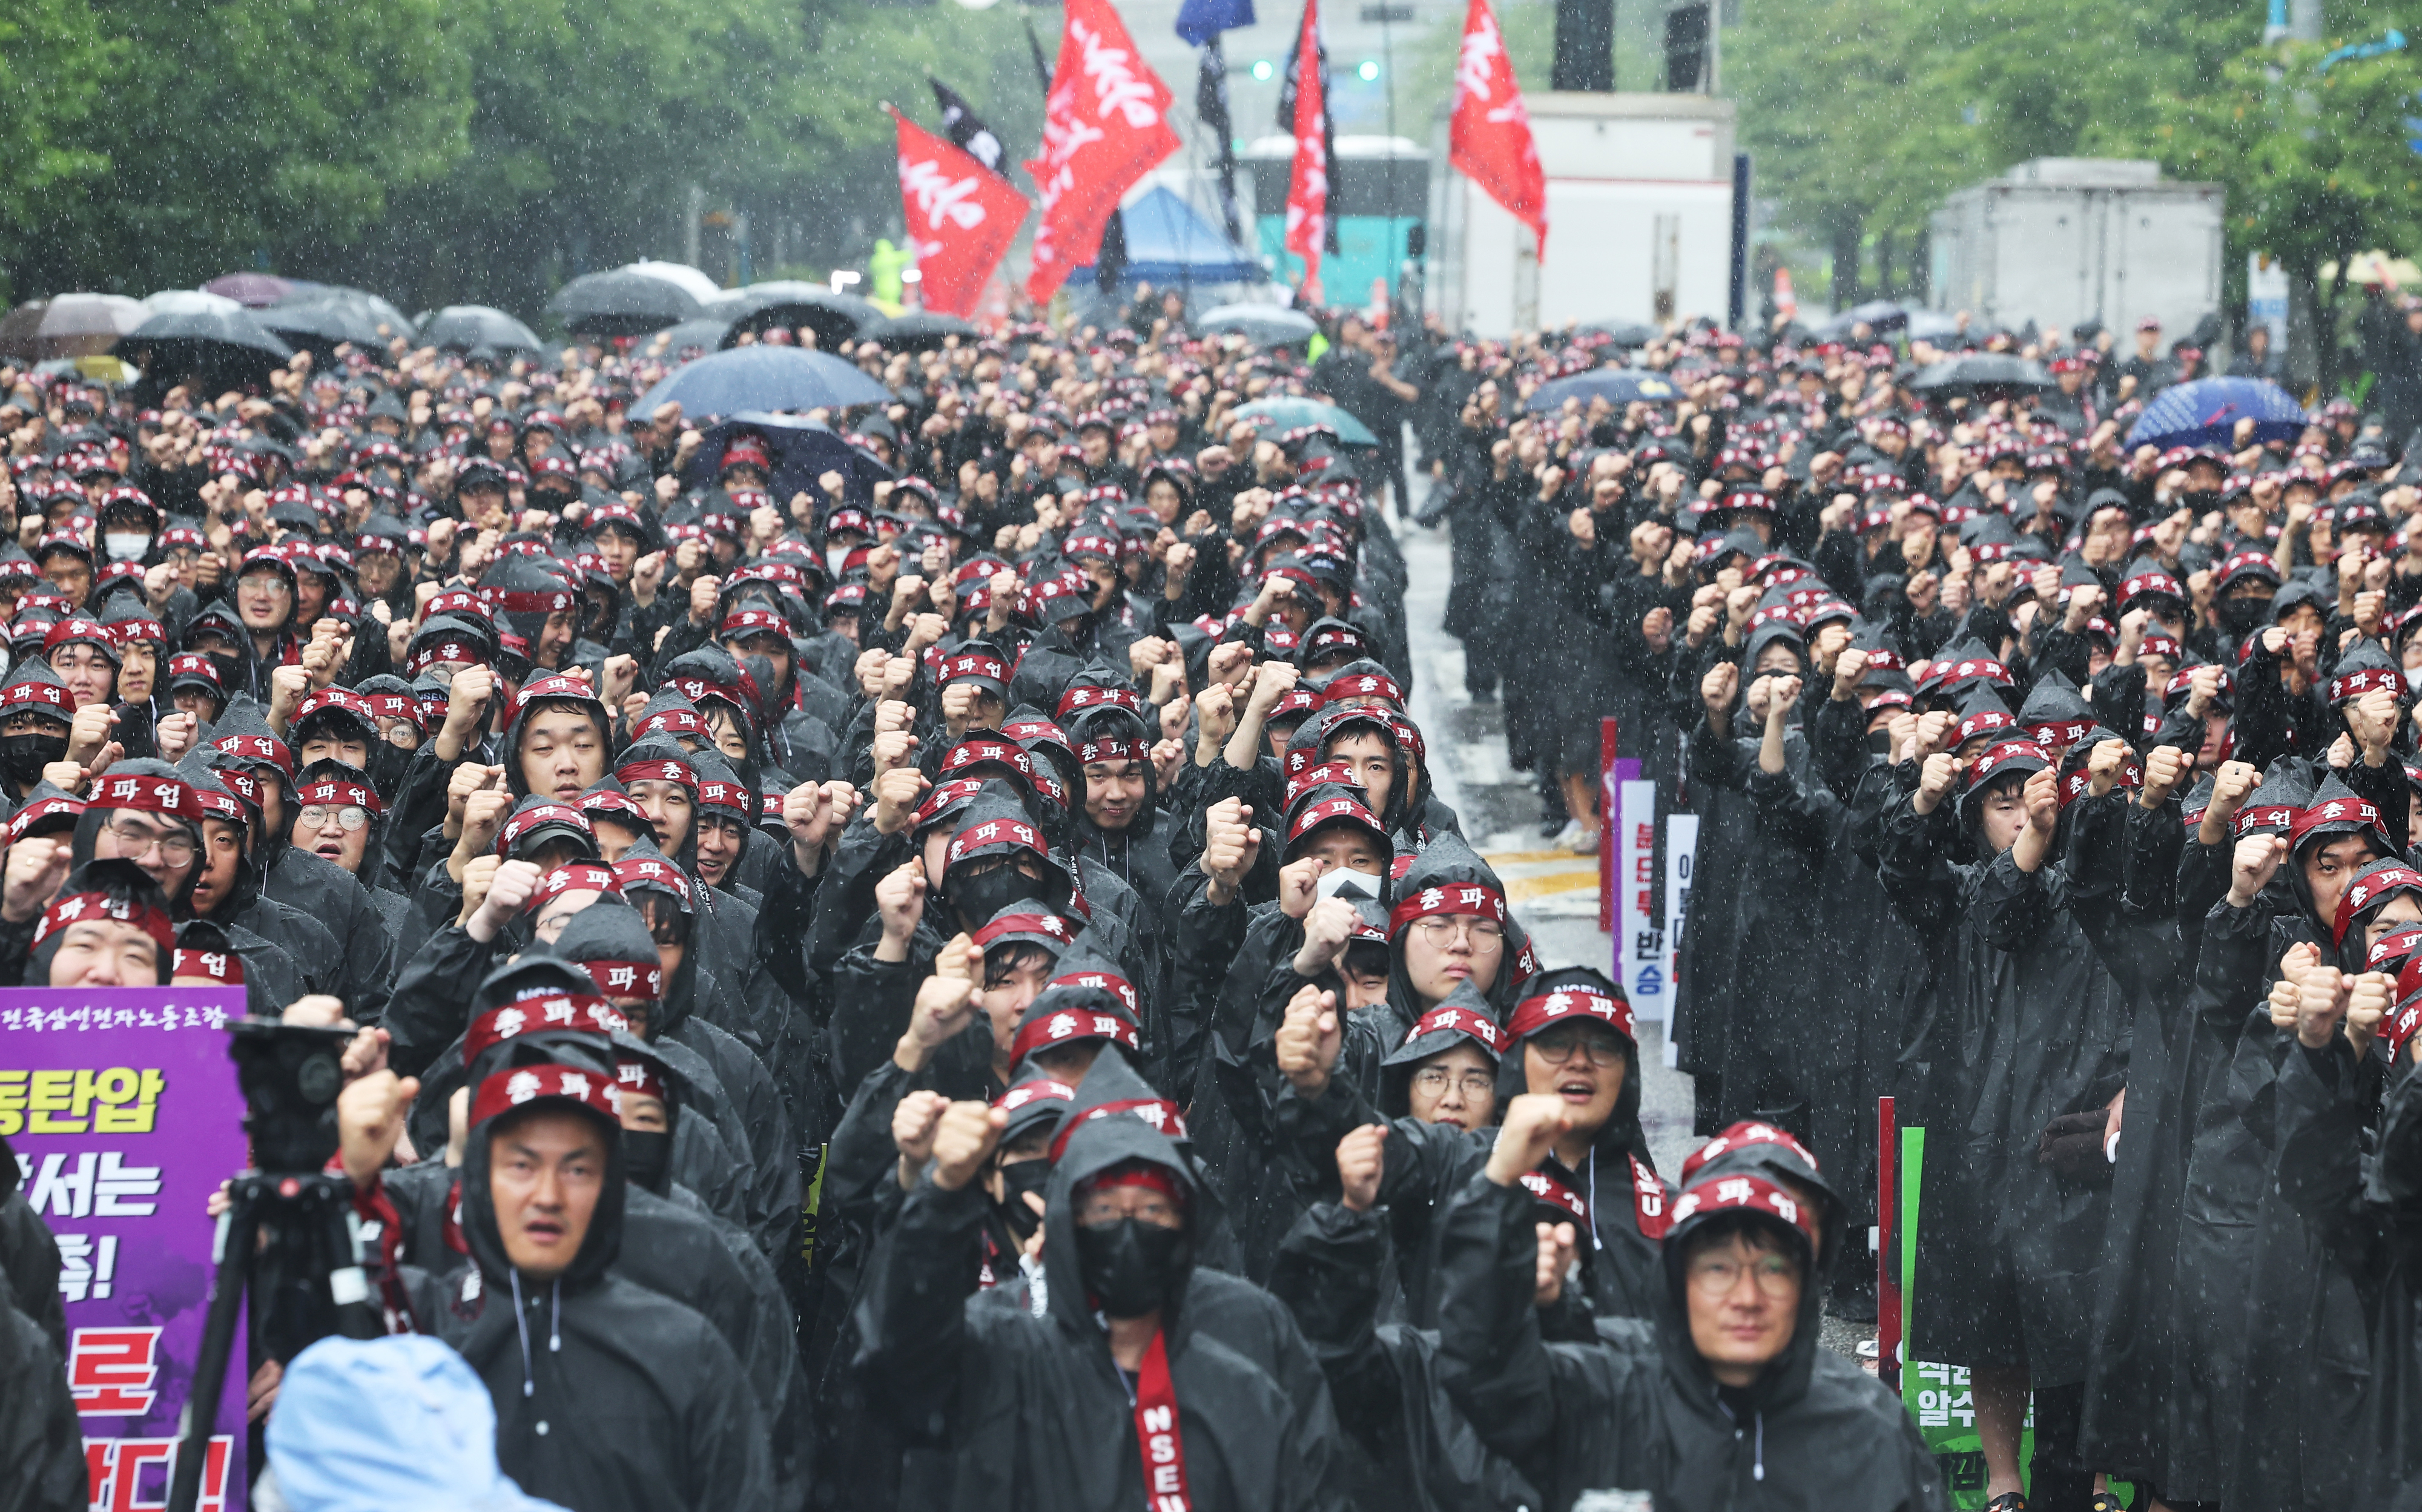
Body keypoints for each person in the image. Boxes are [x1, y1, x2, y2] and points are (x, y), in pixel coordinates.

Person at [1431, 1096, 1944, 1511]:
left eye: (1775, 1267)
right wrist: (1497, 1182)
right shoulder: (1609, 1389)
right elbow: (1482, 1374)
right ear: (1676, 1277)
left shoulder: (1869, 1425)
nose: (1747, 1298)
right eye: (1719, 1267)